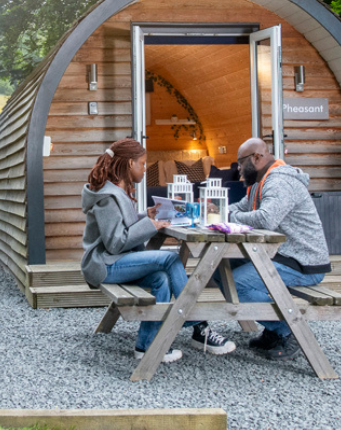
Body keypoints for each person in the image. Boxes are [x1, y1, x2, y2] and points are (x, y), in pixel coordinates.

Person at [81, 138, 235, 362]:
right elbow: (115, 242)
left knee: (161, 279)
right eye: (142, 164)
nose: (145, 168)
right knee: (171, 260)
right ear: (129, 164)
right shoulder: (108, 197)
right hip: (104, 264)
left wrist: (146, 216)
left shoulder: (118, 191)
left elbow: (123, 226)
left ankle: (146, 346)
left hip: (116, 259)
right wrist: (150, 226)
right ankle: (199, 326)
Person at [227, 137, 330, 361]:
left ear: (256, 157)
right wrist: (220, 210)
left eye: (240, 163)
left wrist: (229, 217)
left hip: (301, 262)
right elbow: (241, 207)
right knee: (223, 268)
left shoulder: (280, 182)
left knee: (236, 283)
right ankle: (273, 331)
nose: (238, 170)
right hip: (280, 256)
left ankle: (287, 330)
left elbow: (266, 219)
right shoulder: (261, 183)